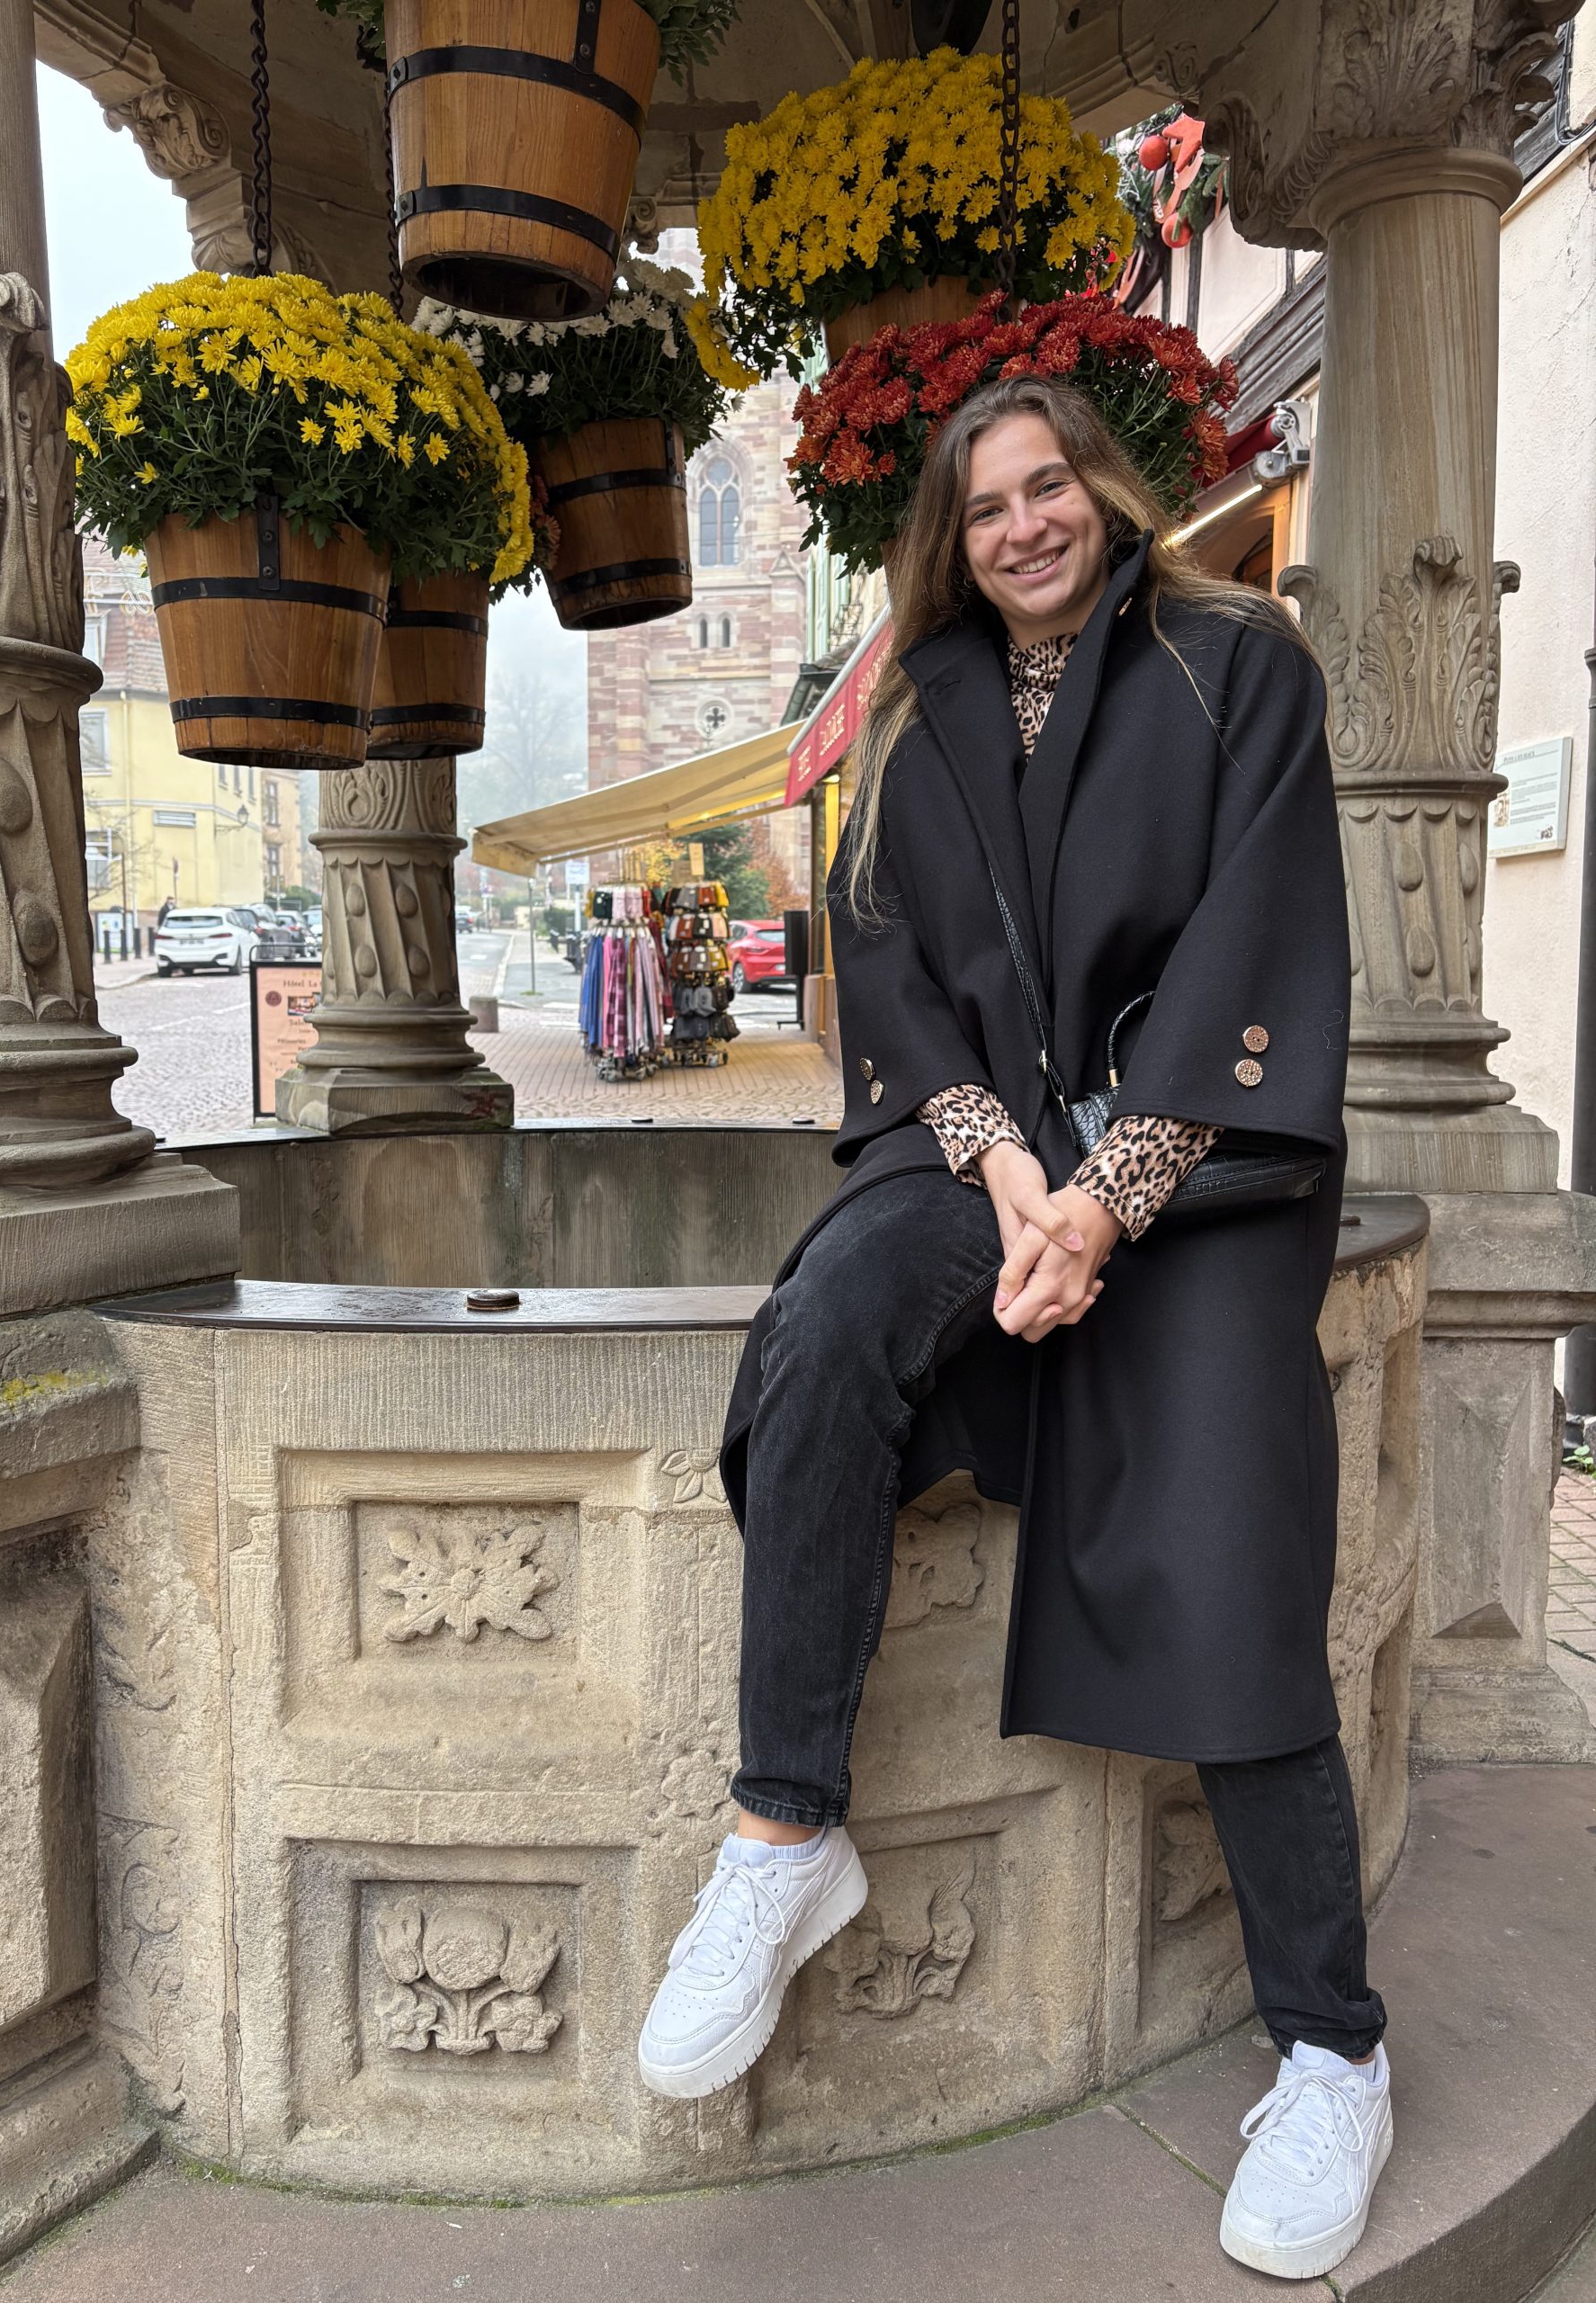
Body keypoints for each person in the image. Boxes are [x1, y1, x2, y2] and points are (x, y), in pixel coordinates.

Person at [636, 376, 1391, 2282]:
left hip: (1199, 1171)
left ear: (1103, 489)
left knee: (1230, 1517)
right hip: (988, 1163)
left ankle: (1335, 2048)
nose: (1028, 525)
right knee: (823, 1323)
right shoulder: (914, 712)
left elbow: (1257, 936)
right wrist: (998, 1184)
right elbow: (889, 973)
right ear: (948, 542)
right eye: (987, 509)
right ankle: (786, 1836)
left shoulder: (1239, 663)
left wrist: (1111, 1196)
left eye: (1050, 485)